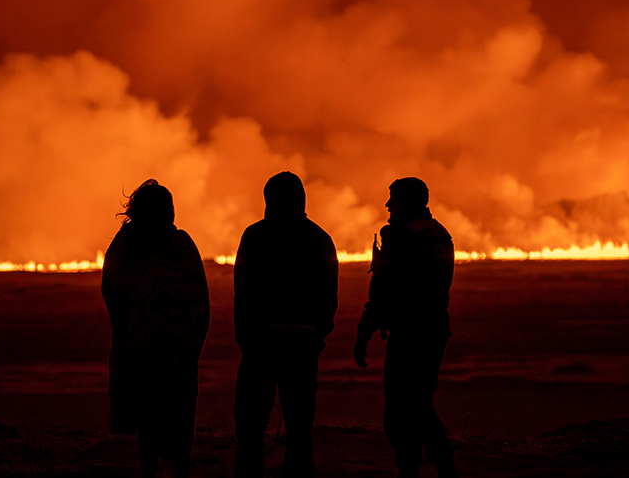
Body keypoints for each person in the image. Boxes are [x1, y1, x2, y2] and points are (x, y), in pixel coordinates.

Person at [101, 179, 210, 478]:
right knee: (161, 425)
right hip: (161, 355)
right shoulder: (170, 245)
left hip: (159, 354)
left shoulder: (126, 246)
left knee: (159, 425)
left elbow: (197, 303)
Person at [233, 171, 338, 478]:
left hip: (260, 342)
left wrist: (245, 337)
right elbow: (329, 294)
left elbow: (243, 289)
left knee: (250, 425)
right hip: (302, 344)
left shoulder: (255, 236)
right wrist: (317, 333)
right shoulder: (319, 238)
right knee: (300, 427)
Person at [353, 177, 459, 478]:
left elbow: (386, 289)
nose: (388, 205)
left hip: (410, 333)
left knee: (402, 409)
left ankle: (415, 468)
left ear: (406, 201)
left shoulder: (401, 236)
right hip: (435, 329)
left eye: (393, 198)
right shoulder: (439, 233)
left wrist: (365, 331)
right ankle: (442, 465)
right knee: (419, 401)